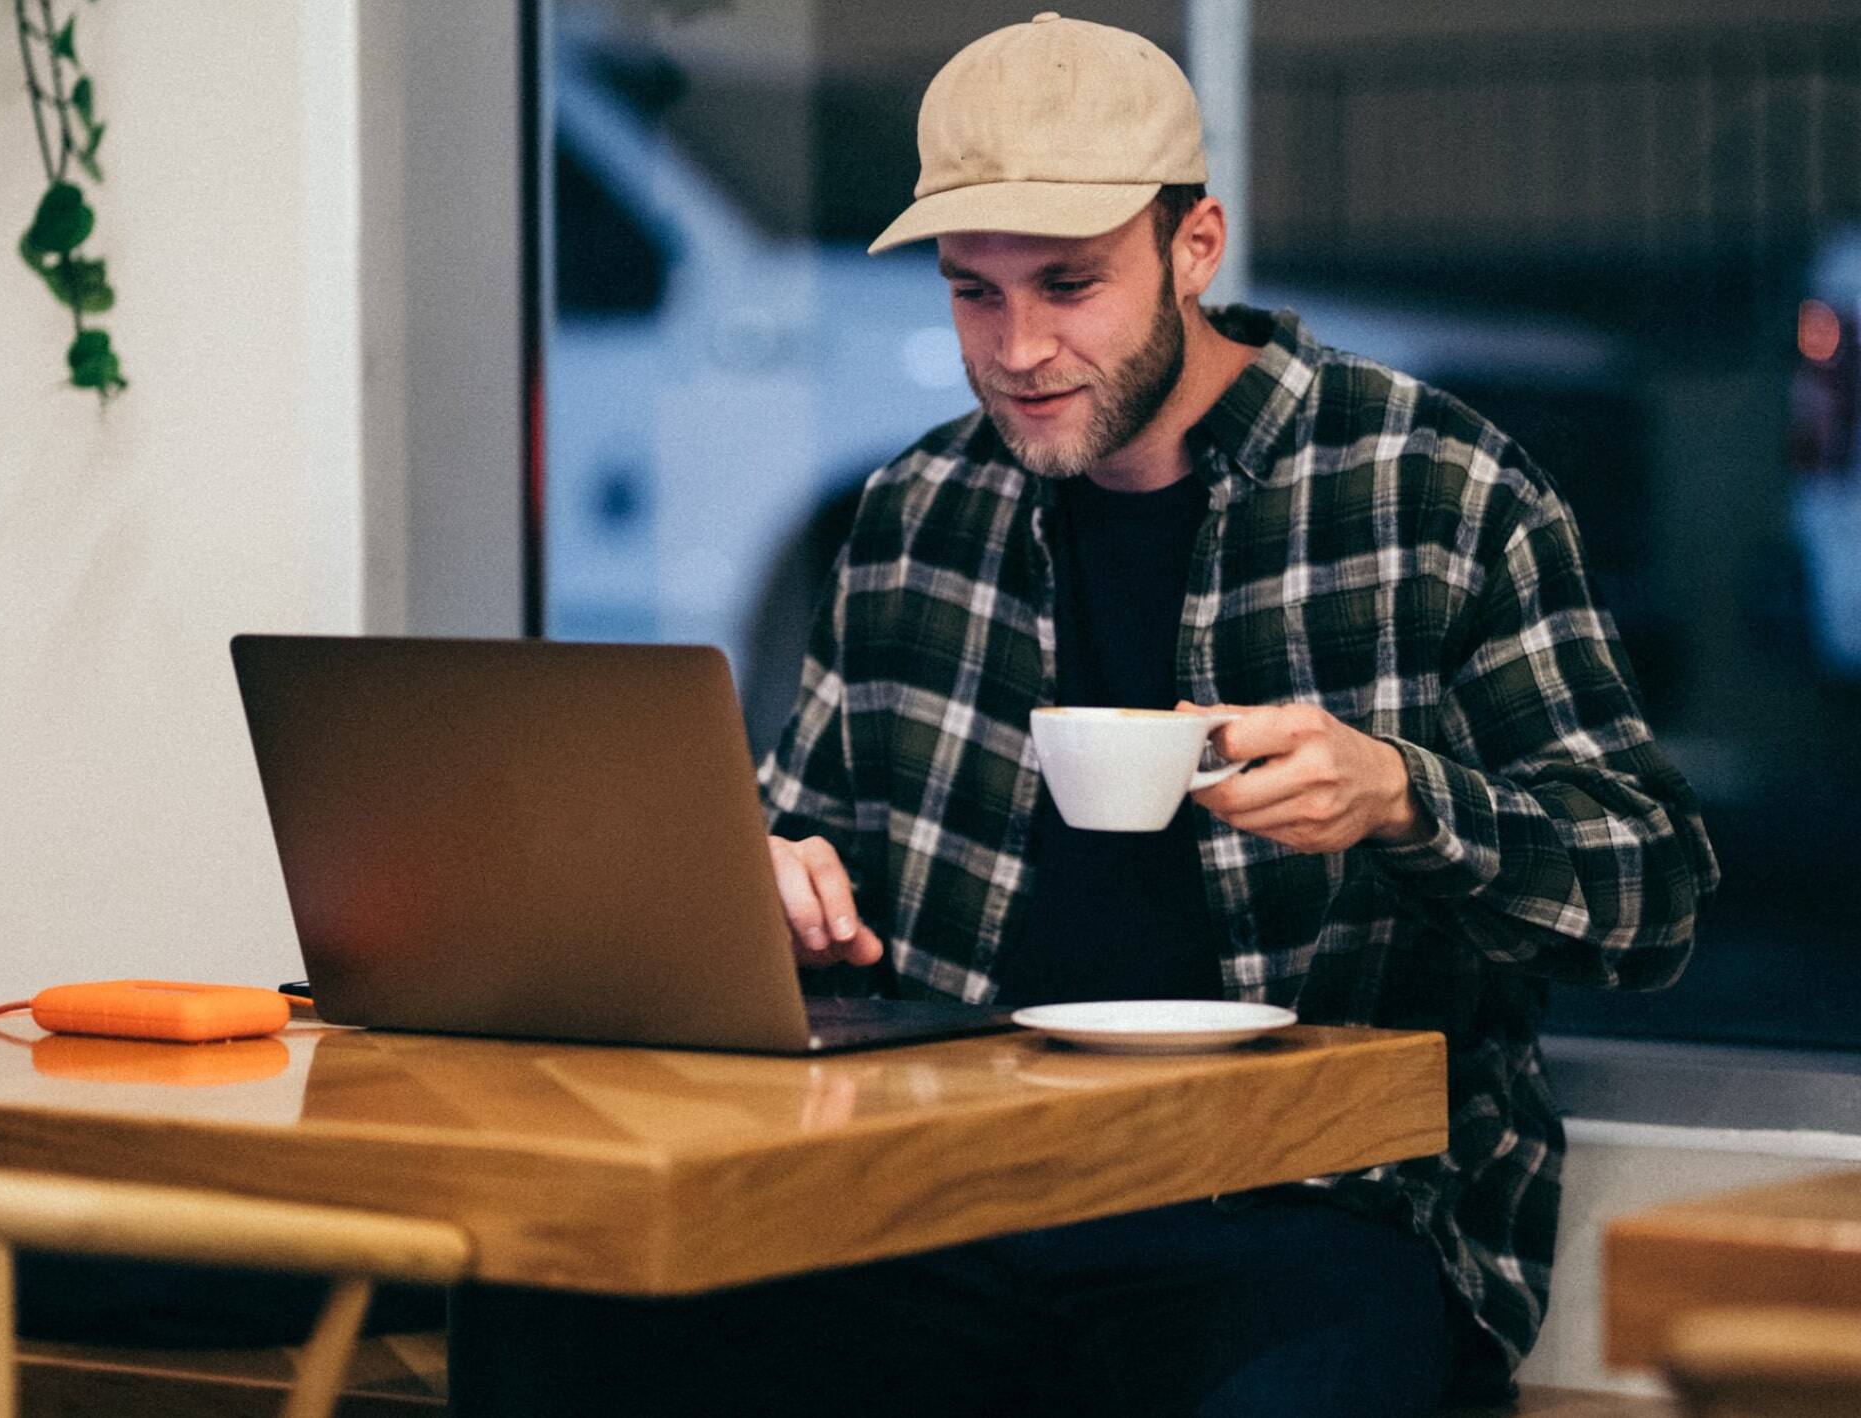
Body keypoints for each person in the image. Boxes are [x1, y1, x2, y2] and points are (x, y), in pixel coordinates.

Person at [464, 14, 1717, 1416]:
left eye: (1070, 284)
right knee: (549, 1306)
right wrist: (768, 887)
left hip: (1304, 1209)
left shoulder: (1436, 493)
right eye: (971, 294)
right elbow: (800, 847)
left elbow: (1651, 893)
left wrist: (1405, 798)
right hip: (947, 1195)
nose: (1018, 349)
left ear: (1196, 248)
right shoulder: (916, 513)